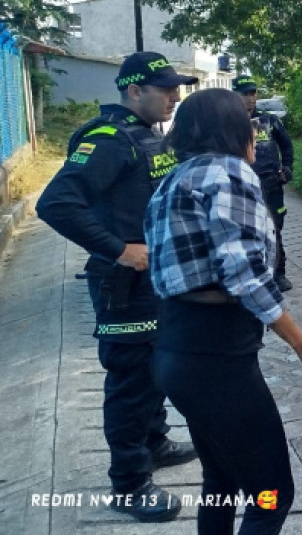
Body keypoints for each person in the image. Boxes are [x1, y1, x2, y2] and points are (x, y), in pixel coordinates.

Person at [144, 88, 302, 535]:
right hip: (217, 360)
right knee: (271, 495)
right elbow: (243, 273)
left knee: (220, 481)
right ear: (234, 131)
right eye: (249, 126)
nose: (256, 135)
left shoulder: (174, 179)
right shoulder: (228, 173)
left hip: (178, 349)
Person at [36, 51, 199, 523]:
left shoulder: (147, 134)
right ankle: (129, 484)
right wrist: (117, 249)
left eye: (176, 88)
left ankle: (155, 442)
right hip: (125, 284)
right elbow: (56, 204)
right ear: (134, 90)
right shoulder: (109, 139)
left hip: (154, 279)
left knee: (154, 370)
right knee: (131, 381)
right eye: (165, 89)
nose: (175, 96)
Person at [233, 74, 295, 292]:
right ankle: (252, 273)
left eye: (253, 93)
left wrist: (287, 168)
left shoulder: (269, 120)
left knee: (274, 229)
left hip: (270, 186)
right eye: (245, 94)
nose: (250, 98)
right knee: (245, 230)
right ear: (235, 95)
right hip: (241, 187)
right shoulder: (229, 122)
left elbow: (286, 145)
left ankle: (279, 274)